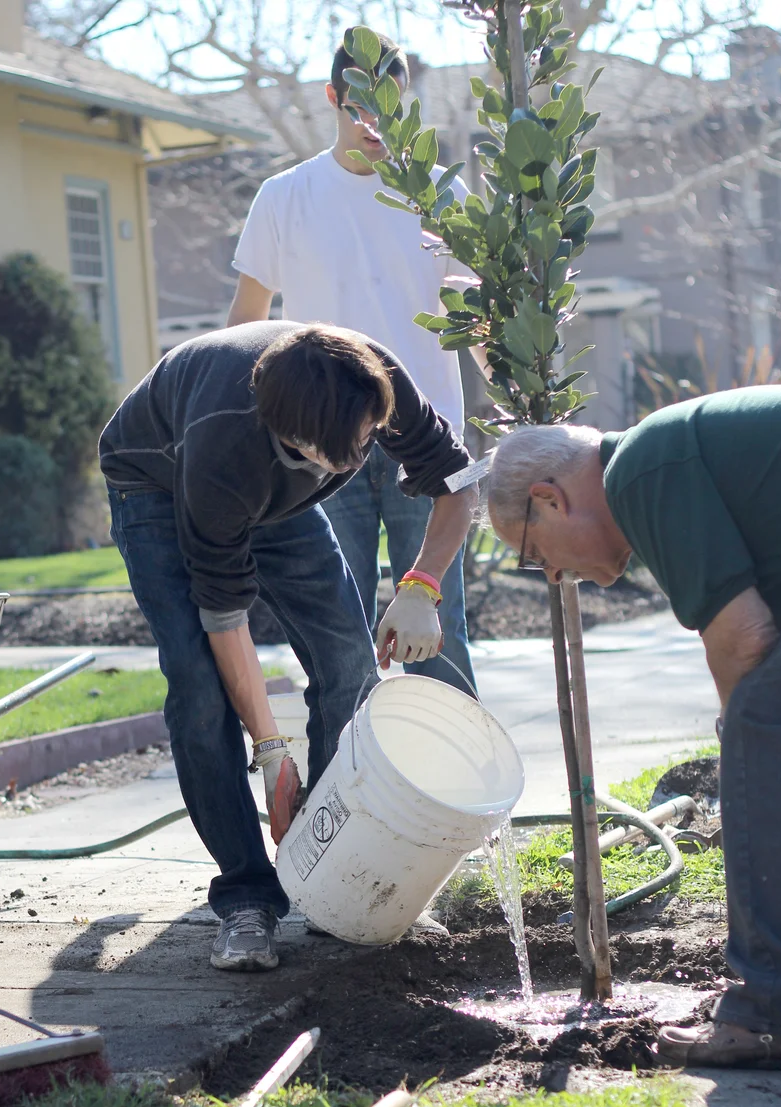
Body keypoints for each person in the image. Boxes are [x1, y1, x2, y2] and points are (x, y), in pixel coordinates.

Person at [100, 321, 477, 973]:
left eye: (361, 447)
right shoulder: (224, 448)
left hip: (271, 492)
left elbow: (457, 485)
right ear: (284, 432)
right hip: (159, 484)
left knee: (348, 665)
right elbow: (225, 620)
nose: (354, 467)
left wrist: (421, 586)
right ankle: (248, 899)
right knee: (198, 690)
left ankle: (334, 877)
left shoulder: (370, 380)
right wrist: (272, 750)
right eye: (330, 457)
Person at [485, 387, 781, 1069]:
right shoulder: (662, 456)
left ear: (551, 499)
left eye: (534, 554)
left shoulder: (640, 468)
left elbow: (744, 639)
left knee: (762, 728)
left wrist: (745, 752)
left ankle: (773, 1013)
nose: (552, 574)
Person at [227, 31, 478, 697]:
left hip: (427, 448)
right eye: (358, 108)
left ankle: (455, 797)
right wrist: (248, 434)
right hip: (322, 444)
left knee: (436, 627)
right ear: (332, 100)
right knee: (336, 638)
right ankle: (354, 792)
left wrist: (521, 410)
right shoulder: (285, 197)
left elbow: (477, 313)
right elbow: (248, 323)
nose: (374, 124)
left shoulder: (437, 197)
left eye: (389, 106)